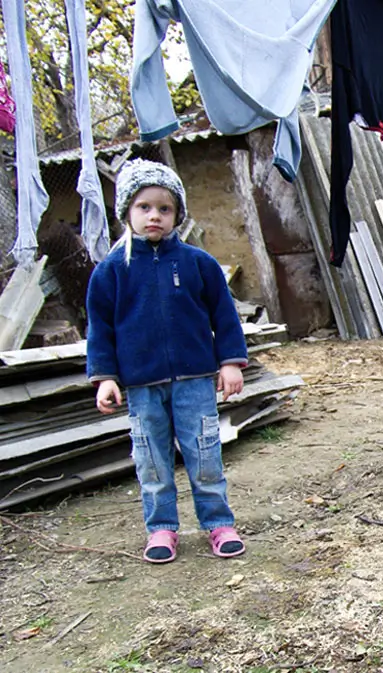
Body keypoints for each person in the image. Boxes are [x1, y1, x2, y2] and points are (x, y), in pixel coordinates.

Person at [86, 159, 249, 565]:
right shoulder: (111, 271)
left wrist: (230, 362)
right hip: (141, 386)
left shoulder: (199, 264)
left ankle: (218, 523)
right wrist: (105, 378)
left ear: (178, 214)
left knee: (204, 453)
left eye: (164, 208)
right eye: (144, 207)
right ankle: (161, 529)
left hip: (195, 380)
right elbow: (99, 329)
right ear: (127, 211)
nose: (154, 216)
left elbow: (224, 316)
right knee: (152, 461)